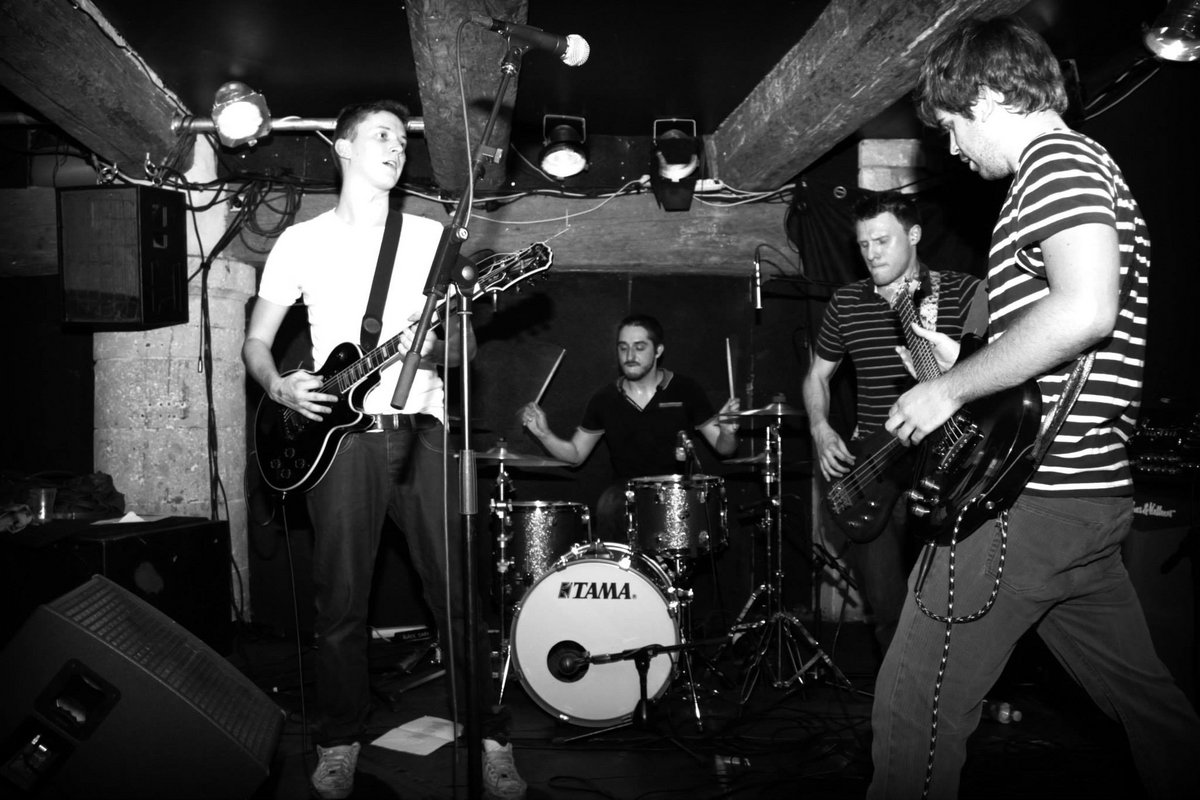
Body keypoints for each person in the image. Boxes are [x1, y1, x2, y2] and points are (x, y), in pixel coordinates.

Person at [868, 16, 1200, 799]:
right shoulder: (1078, 168)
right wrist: (963, 361)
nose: (952, 149)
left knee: (914, 714)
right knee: (1152, 714)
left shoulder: (1057, 163)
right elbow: (1057, 352)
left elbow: (1085, 311)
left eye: (951, 127)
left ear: (986, 95)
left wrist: (947, 388)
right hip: (1085, 502)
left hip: (1026, 505)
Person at [242, 100, 525, 800]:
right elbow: (256, 342)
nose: (397, 146)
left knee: (457, 596)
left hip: (422, 430)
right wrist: (278, 386)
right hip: (340, 445)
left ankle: (490, 739)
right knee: (341, 605)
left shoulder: (432, 237)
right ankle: (338, 743)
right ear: (342, 147)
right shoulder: (300, 242)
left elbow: (464, 350)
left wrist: (435, 346)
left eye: (403, 138)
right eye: (381, 135)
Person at [801, 190, 984, 661]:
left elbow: (995, 369)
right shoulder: (847, 301)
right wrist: (820, 427)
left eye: (882, 241)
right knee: (887, 611)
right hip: (874, 468)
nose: (872, 253)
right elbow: (817, 375)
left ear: (914, 235)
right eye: (863, 245)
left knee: (951, 605)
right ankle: (899, 697)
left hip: (944, 469)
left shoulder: (963, 292)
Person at [519, 314, 740, 542]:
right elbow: (575, 455)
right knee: (608, 503)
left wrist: (727, 432)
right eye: (623, 348)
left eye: (639, 347)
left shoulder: (686, 390)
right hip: (625, 501)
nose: (630, 356)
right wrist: (544, 435)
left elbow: (724, 448)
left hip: (678, 498)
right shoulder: (605, 399)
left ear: (658, 350)